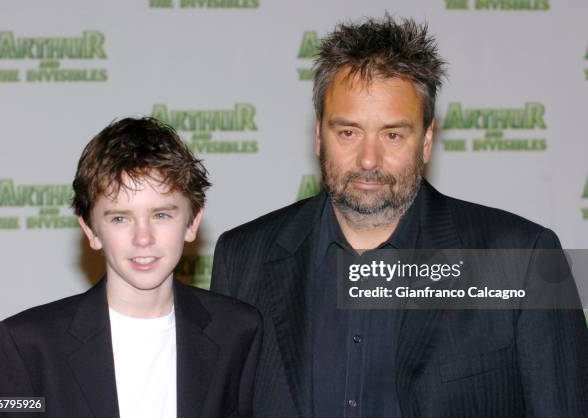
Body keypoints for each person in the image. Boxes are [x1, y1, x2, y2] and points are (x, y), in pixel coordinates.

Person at [210, 16, 587, 418]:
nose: (369, 160)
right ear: (319, 134)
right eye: (349, 132)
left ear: (426, 141)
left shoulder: (521, 261)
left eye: (393, 135)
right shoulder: (243, 257)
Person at [0, 117, 262, 418]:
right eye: (120, 218)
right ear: (90, 230)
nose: (143, 238)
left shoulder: (239, 332)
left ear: (192, 222)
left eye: (161, 215)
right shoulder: (25, 345)